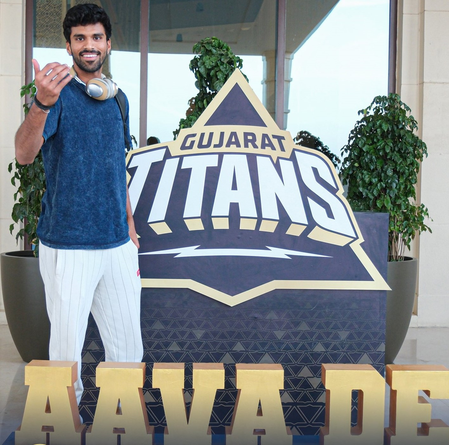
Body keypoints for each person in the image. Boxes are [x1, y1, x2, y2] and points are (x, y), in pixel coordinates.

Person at [14, 3, 143, 406]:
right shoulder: (56, 96)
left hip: (117, 243)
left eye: (96, 37)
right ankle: (65, 427)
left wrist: (129, 224)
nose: (90, 45)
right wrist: (41, 103)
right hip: (69, 245)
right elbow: (23, 154)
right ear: (68, 46)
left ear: (108, 43)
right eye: (80, 38)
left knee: (129, 351)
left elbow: (116, 166)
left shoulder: (118, 101)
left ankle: (121, 423)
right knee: (66, 355)